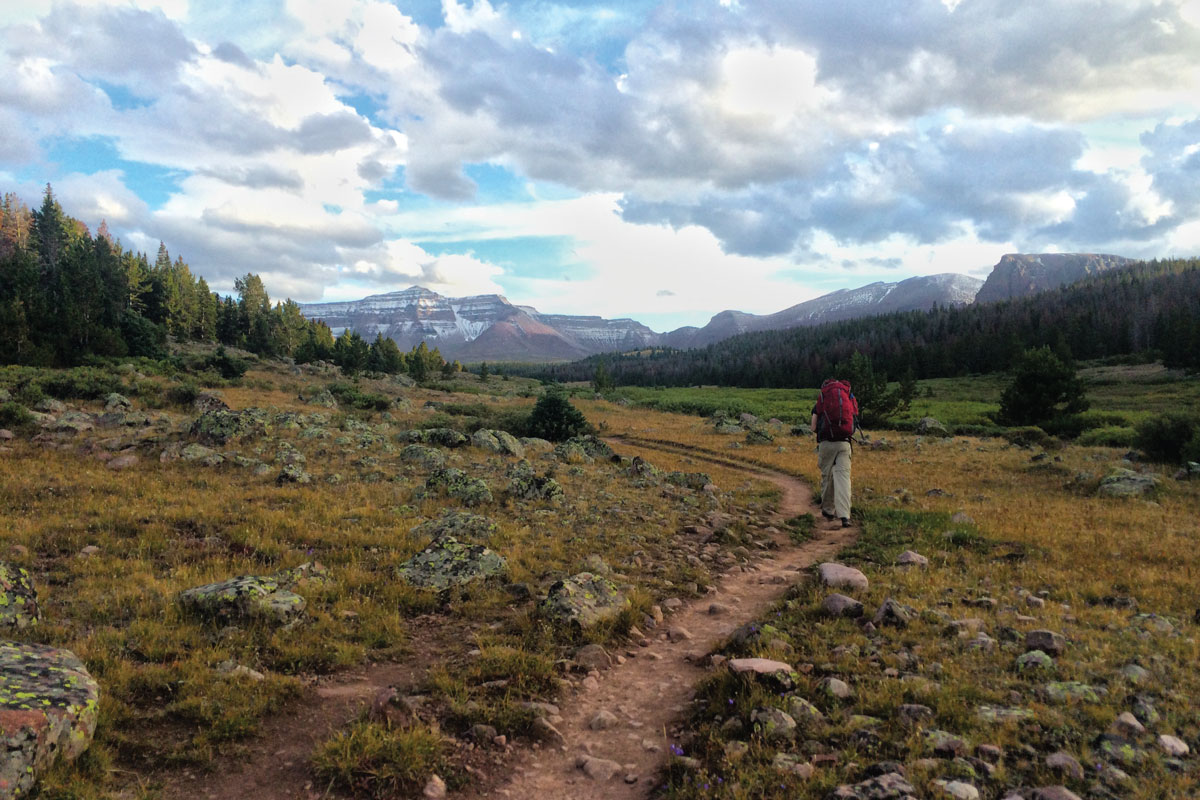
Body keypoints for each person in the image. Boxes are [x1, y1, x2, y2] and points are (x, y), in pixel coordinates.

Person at [811, 378, 859, 528]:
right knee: (844, 479)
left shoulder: (821, 402)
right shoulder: (849, 399)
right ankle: (845, 516)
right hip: (844, 443)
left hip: (826, 444)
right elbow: (854, 422)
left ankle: (828, 510)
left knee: (827, 476)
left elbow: (813, 428)